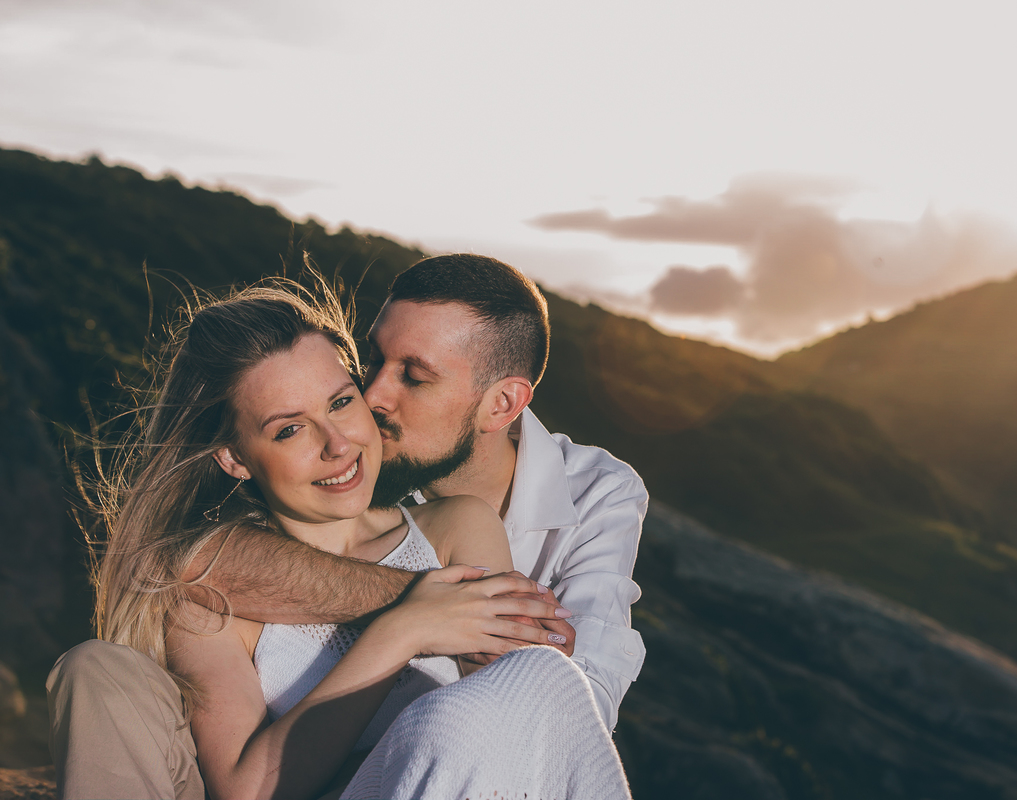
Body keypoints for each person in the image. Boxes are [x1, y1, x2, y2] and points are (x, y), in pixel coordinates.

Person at [55, 281, 630, 800]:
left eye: (340, 402)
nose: (337, 445)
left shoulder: (459, 526)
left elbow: (511, 725)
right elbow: (248, 790)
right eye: (289, 429)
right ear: (234, 458)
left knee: (537, 682)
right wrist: (401, 631)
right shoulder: (212, 596)